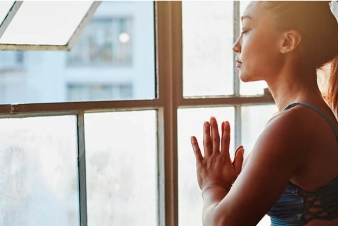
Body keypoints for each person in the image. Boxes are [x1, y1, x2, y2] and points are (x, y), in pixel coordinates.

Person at [190, 0, 338, 226]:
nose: (235, 45)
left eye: (246, 30)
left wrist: (211, 186)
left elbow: (221, 223)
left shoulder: (293, 125)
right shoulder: (307, 116)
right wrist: (233, 188)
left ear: (287, 41)